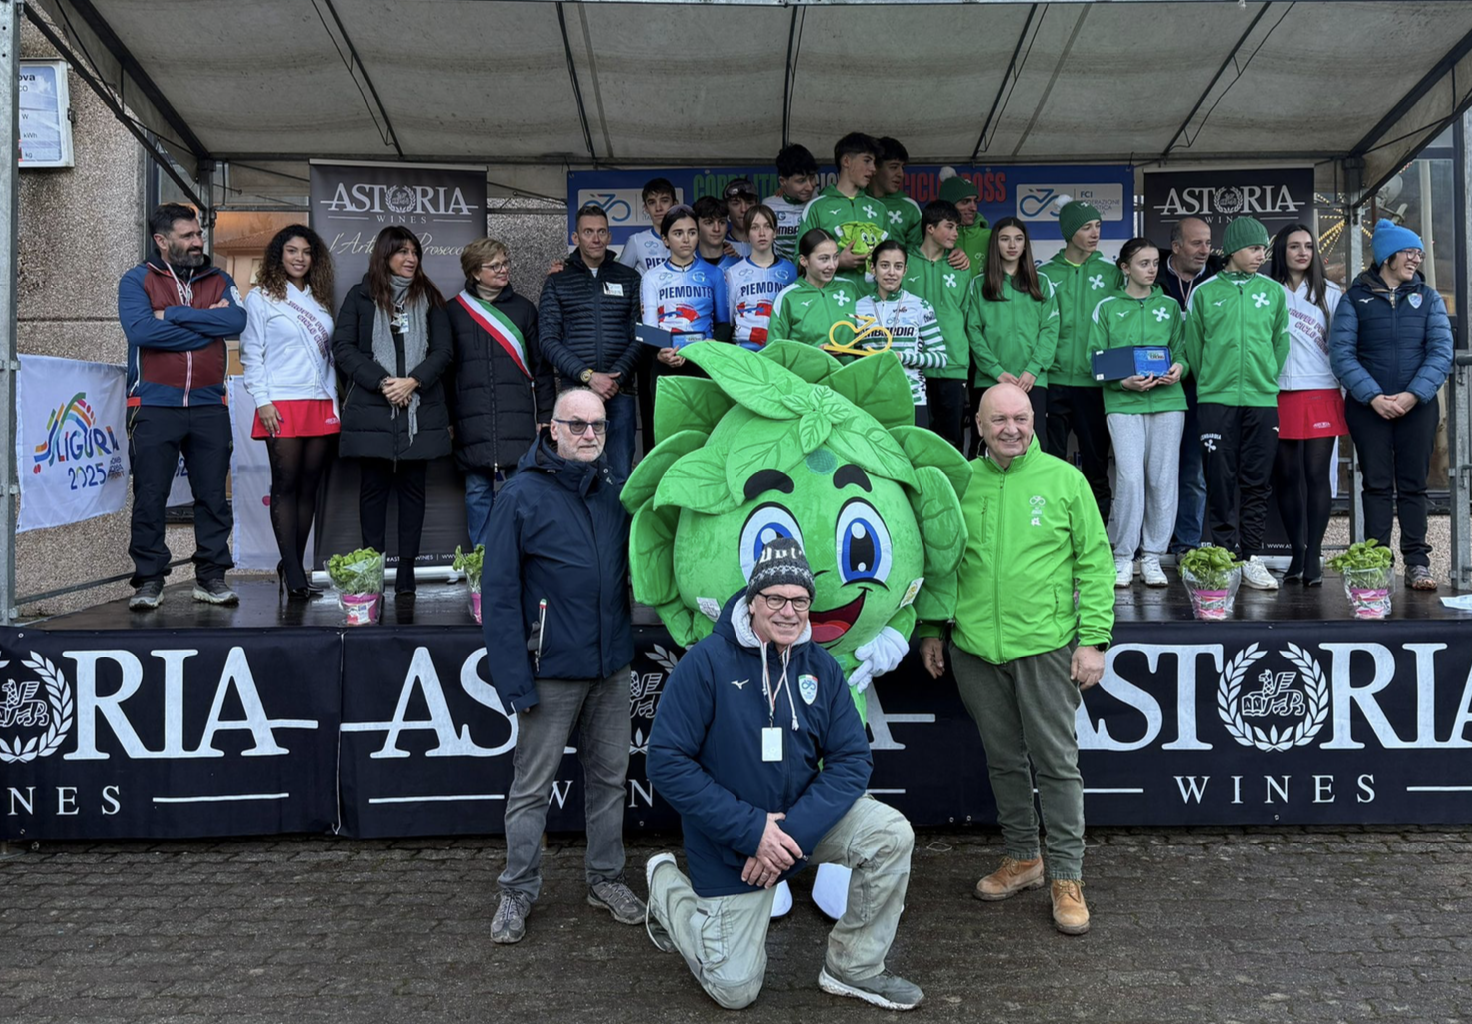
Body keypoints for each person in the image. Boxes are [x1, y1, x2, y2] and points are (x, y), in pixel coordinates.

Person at [646, 538, 922, 1011]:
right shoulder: (705, 664)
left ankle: (853, 968)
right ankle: (664, 883)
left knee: (890, 833)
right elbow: (666, 762)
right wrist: (753, 832)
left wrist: (786, 837)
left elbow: (852, 760)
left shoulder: (822, 668)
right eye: (775, 598)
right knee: (734, 991)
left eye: (799, 601)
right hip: (730, 845)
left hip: (797, 830)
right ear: (752, 601)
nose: (788, 611)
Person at [919, 382, 1111, 936]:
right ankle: (1025, 859)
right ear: (978, 427)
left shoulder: (1064, 481)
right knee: (1004, 761)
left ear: (1034, 419)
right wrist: (933, 628)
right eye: (999, 419)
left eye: (1021, 417)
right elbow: (942, 563)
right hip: (975, 650)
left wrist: (1093, 639)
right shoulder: (960, 485)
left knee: (1056, 765)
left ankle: (1068, 877)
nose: (1012, 428)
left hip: (1046, 649)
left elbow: (1094, 565)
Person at [481, 387, 642, 944]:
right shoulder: (520, 495)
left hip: (611, 664)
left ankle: (606, 879)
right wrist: (514, 680)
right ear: (552, 429)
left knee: (609, 781)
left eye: (597, 425)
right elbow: (498, 594)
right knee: (532, 788)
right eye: (577, 425)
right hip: (550, 671)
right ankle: (517, 891)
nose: (590, 435)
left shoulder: (614, 490)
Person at [119, 203, 247, 611]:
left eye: (198, 234)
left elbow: (235, 324)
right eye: (188, 236)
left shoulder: (219, 278)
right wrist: (203, 326)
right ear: (162, 241)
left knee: (211, 495)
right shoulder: (137, 280)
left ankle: (210, 578)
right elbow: (141, 331)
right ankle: (149, 581)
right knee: (151, 496)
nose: (198, 242)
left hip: (209, 404)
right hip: (154, 404)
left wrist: (172, 315)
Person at [1330, 219, 1453, 591]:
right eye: (1410, 251)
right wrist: (1373, 397)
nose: (1417, 258)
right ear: (1387, 256)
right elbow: (1341, 354)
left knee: (1414, 486)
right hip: (1370, 409)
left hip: (1418, 405)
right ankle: (1378, 561)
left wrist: (1413, 394)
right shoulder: (1354, 299)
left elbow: (1440, 352)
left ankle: (1417, 562)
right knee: (1377, 486)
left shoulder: (1429, 298)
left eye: (1419, 252)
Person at [332, 227, 452, 598]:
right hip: (374, 411)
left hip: (420, 410)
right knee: (373, 493)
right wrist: (385, 383)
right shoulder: (361, 296)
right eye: (401, 252)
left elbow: (443, 352)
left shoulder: (430, 298)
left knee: (414, 494)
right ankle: (373, 573)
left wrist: (412, 381)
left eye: (414, 251)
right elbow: (344, 347)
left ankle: (406, 576)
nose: (410, 258)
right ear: (384, 256)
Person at [1183, 216, 1290, 591]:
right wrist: (1212, 380)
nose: (1261, 255)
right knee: (1219, 479)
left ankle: (1252, 556)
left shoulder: (1273, 292)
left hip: (1261, 400)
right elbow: (1194, 347)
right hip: (1216, 399)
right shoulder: (1205, 291)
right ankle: (1226, 555)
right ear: (1232, 251)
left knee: (1257, 480)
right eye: (1254, 248)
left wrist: (1265, 377)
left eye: (1264, 248)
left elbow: (1281, 342)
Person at [239, 224, 338, 601]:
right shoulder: (261, 299)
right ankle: (294, 572)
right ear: (279, 255)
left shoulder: (320, 299)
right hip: (280, 401)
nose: (300, 258)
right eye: (292, 251)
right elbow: (251, 354)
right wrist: (262, 400)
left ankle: (292, 562)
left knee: (310, 488)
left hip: (320, 403)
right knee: (286, 485)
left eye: (307, 252)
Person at [1088, 238, 1188, 589]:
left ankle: (1152, 557)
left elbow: (1183, 350)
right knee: (1130, 478)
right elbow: (1096, 360)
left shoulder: (1171, 306)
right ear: (1124, 267)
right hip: (1123, 403)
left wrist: (1178, 368)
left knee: (1162, 480)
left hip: (1167, 403)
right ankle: (1123, 556)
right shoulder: (1107, 307)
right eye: (1143, 263)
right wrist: (1122, 382)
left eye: (1155, 263)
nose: (1151, 269)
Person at [446, 237, 555, 548]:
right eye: (495, 265)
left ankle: (524, 558)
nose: (504, 269)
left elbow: (542, 368)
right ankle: (482, 565)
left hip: (518, 418)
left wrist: (545, 415)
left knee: (523, 490)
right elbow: (445, 372)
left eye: (505, 263)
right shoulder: (453, 312)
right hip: (472, 418)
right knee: (477, 492)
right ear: (475, 273)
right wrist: (449, 419)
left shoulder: (524, 309)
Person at [538, 205, 643, 478]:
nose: (595, 238)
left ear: (609, 236)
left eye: (601, 232)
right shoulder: (557, 281)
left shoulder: (630, 278)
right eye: (588, 232)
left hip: (620, 393)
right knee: (576, 473)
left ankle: (617, 523)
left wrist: (615, 379)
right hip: (575, 392)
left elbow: (641, 336)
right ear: (576, 237)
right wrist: (588, 376)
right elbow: (548, 341)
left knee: (620, 475)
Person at [1268, 224, 1345, 586]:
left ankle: (1313, 553)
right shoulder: (1267, 292)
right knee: (1285, 476)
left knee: (1316, 475)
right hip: (1277, 391)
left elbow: (1341, 346)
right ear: (1281, 250)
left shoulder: (1332, 293)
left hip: (1320, 390)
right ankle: (1296, 552)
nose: (1302, 252)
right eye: (1295, 246)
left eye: (1309, 247)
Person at [1039, 200, 1123, 522]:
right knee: (1051, 461)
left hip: (1094, 382)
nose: (1095, 233)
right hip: (1054, 379)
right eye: (1086, 227)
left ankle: (1098, 536)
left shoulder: (1112, 274)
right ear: (1069, 232)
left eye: (1098, 226)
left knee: (1096, 464)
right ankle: (1052, 532)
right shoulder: (1045, 274)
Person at [964, 216, 1058, 450]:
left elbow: (1050, 329)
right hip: (990, 379)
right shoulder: (979, 284)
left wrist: (1033, 369)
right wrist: (996, 371)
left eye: (1018, 239)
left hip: (1031, 380)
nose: (1012, 245)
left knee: (1034, 445)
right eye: (1005, 239)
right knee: (988, 444)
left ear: (1026, 244)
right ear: (995, 244)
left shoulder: (1042, 282)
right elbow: (973, 332)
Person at [1159, 217, 1217, 557]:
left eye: (1208, 243)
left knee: (1194, 471)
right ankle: (1149, 545)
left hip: (1202, 388)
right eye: (1197, 243)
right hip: (1157, 388)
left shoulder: (1216, 280)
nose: (1205, 250)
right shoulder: (1152, 274)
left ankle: (1186, 544)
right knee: (1156, 471)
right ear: (1177, 246)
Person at [902, 201, 973, 452]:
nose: (956, 233)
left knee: (951, 442)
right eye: (950, 226)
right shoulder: (904, 263)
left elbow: (966, 314)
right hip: (913, 365)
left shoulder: (961, 267)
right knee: (916, 440)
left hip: (952, 363)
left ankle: (950, 492)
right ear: (930, 228)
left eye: (957, 228)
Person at [855, 240, 948, 428]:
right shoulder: (859, 306)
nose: (891, 272)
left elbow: (940, 358)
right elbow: (854, 354)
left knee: (912, 457)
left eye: (898, 267)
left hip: (912, 400)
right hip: (871, 401)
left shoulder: (920, 306)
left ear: (905, 270)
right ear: (873, 268)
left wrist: (901, 357)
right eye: (884, 265)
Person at [641, 205, 730, 379]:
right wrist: (660, 354)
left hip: (704, 363)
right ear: (665, 240)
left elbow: (724, 324)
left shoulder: (715, 273)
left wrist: (715, 344)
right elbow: (649, 329)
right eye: (678, 233)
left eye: (692, 232)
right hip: (666, 365)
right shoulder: (651, 277)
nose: (686, 239)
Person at [798, 132, 887, 292]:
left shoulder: (879, 209)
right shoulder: (817, 207)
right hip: (831, 302)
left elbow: (891, 257)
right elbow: (799, 262)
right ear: (846, 161)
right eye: (867, 161)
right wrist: (838, 262)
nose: (873, 169)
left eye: (874, 162)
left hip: (873, 304)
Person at [767, 229, 863, 352]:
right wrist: (815, 356)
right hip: (804, 371)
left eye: (835, 257)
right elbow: (774, 352)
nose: (832, 265)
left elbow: (865, 339)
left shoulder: (850, 288)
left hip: (849, 371)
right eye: (824, 259)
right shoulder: (787, 297)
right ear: (803, 261)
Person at [725, 205, 798, 351]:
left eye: (767, 227)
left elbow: (794, 315)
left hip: (780, 350)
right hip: (745, 350)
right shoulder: (733, 272)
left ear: (775, 232)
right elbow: (730, 320)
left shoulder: (789, 270)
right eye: (755, 227)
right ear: (747, 235)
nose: (762, 233)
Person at [765, 144, 821, 262]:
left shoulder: (821, 202)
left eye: (812, 178)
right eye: (801, 181)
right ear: (783, 181)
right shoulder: (769, 207)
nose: (810, 187)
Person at [868, 137, 923, 249]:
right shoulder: (855, 201)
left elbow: (918, 254)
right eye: (894, 167)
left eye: (902, 168)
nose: (901, 174)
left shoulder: (910, 207)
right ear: (875, 167)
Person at [617, 177, 678, 275]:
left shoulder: (687, 240)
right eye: (652, 202)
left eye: (664, 200)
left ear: (675, 205)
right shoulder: (636, 241)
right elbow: (620, 279)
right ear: (645, 208)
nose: (658, 208)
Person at [939, 169, 991, 277]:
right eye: (965, 202)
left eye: (975, 201)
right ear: (949, 205)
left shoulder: (990, 236)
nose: (973, 207)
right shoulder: (935, 237)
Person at [693, 196, 741, 272]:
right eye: (709, 223)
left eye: (722, 222)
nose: (717, 229)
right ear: (695, 226)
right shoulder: (687, 266)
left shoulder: (740, 265)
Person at [723, 178, 760, 257]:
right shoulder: (719, 244)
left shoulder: (766, 241)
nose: (744, 209)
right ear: (726, 208)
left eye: (749, 203)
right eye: (736, 204)